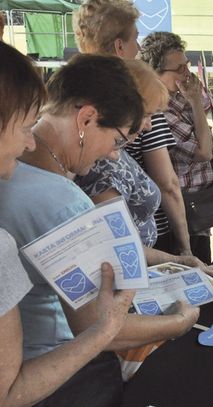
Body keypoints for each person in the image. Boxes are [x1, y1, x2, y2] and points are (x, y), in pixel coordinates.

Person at [0, 54, 201, 405]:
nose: (113, 155)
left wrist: (167, 259)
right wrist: (179, 322)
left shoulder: (20, 174)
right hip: (59, 376)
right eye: (119, 139)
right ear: (87, 118)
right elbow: (102, 328)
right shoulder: (60, 200)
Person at [0, 43, 134, 407]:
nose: (29, 144)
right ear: (86, 118)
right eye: (26, 127)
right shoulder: (55, 201)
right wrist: (106, 329)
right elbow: (9, 392)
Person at [74, 0, 194, 258]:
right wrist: (183, 250)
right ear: (120, 46)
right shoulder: (138, 95)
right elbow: (167, 182)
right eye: (136, 39)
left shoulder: (77, 88)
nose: (139, 48)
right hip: (138, 253)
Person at [74, 59, 209, 270]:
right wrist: (181, 258)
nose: (148, 126)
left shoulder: (112, 149)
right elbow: (120, 246)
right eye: (146, 115)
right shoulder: (100, 160)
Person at [140, 31, 213, 263]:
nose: (188, 73)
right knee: (192, 267)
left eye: (187, 65)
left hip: (200, 202)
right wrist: (194, 101)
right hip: (180, 210)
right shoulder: (159, 110)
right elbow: (204, 151)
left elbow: (208, 143)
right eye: (179, 69)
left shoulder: (181, 97)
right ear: (156, 73)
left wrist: (194, 102)